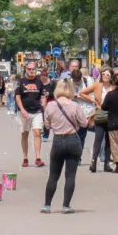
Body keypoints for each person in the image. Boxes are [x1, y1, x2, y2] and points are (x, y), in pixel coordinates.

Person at [42, 78, 91, 213]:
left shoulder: (50, 105)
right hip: (72, 140)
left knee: (53, 175)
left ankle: (47, 205)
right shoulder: (75, 106)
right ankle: (66, 205)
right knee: (70, 175)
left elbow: (47, 125)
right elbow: (84, 124)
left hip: (58, 140)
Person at [15, 63, 47, 168]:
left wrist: (45, 109)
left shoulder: (39, 82)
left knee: (37, 132)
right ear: (26, 69)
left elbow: (43, 96)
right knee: (25, 134)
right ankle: (25, 157)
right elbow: (18, 97)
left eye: (34, 69)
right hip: (24, 112)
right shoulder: (21, 82)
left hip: (37, 111)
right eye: (30, 69)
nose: (32, 71)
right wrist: (22, 110)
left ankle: (38, 158)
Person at [83, 67, 112, 173]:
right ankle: (94, 161)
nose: (105, 76)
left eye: (108, 75)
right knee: (98, 139)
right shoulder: (97, 85)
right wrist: (92, 99)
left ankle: (107, 163)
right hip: (99, 114)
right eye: (103, 74)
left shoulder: (113, 87)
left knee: (109, 140)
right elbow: (83, 93)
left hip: (110, 115)